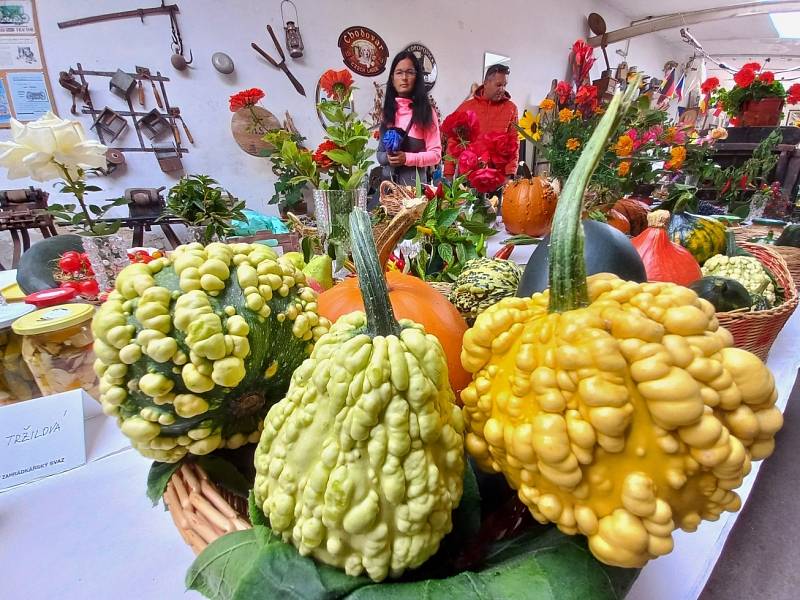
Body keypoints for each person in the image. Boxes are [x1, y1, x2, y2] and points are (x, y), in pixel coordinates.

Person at [376, 51, 441, 186]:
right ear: (392, 78)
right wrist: (387, 157)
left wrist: (407, 158)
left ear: (417, 78)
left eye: (410, 72)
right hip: (388, 192)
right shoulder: (388, 113)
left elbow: (435, 155)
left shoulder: (426, 113)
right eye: (399, 72)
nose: (404, 77)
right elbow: (380, 155)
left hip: (413, 196)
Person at [443, 63, 519, 179]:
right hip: (467, 177)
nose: (502, 89)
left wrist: (509, 176)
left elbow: (513, 144)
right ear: (486, 83)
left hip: (497, 177)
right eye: (498, 85)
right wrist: (448, 175)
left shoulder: (511, 109)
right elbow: (453, 142)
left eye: (504, 85)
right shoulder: (466, 107)